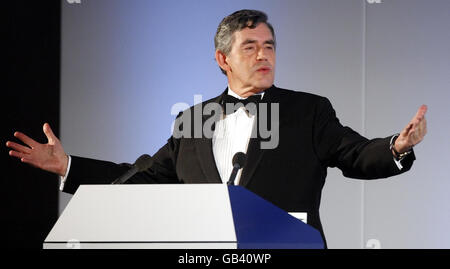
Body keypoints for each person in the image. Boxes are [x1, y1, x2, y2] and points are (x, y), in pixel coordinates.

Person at [6, 10, 427, 247]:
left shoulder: (307, 112)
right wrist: (69, 166)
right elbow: (145, 178)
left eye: (269, 46)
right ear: (223, 60)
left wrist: (396, 145)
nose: (264, 55)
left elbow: (354, 154)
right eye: (250, 46)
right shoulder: (192, 120)